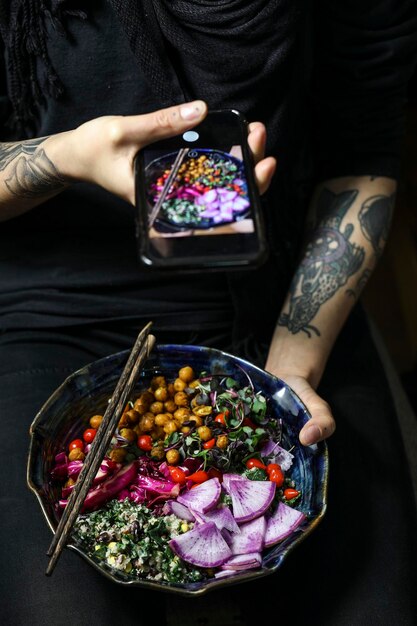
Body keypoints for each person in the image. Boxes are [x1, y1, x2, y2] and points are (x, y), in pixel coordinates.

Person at [0, 1, 416, 624]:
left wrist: (292, 367)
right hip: (54, 309)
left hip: (287, 296)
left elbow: (365, 147)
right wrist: (65, 156)